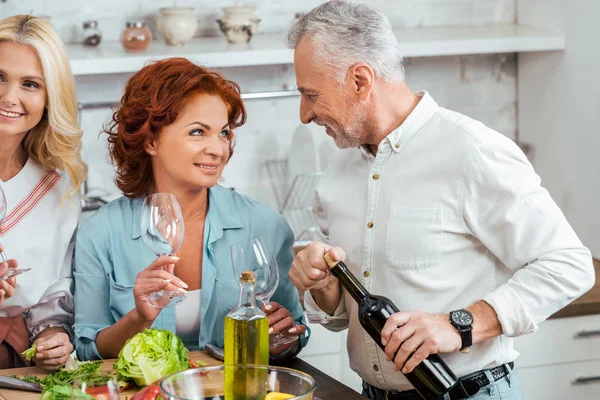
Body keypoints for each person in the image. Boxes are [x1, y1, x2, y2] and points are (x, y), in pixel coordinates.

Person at [285, 2, 595, 399]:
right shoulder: (337, 174)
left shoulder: (473, 152)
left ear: (360, 80)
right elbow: (342, 317)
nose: (304, 114)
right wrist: (323, 288)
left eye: (311, 94)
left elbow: (569, 265)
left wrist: (459, 324)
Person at [73, 57, 308, 361]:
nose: (218, 148)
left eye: (223, 133)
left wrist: (279, 340)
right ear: (151, 140)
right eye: (198, 132)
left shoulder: (265, 226)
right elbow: (87, 349)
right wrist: (139, 318)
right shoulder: (100, 233)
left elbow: (293, 335)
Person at [0, 15, 86, 370]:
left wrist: (52, 336)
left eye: (31, 84)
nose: (10, 97)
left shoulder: (58, 188)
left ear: (52, 97)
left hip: (16, 365)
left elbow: (51, 297)